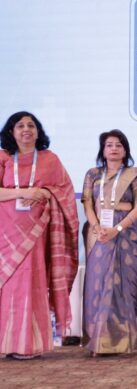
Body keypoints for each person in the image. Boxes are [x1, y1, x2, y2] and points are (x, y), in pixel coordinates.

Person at [0, 111, 78, 359]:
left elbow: (65, 190)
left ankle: (29, 344)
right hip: (6, 233)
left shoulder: (49, 159)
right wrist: (25, 192)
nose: (26, 129)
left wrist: (46, 193)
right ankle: (5, 343)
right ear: (11, 132)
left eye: (31, 125)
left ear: (38, 131)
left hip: (36, 232)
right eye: (20, 125)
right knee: (8, 284)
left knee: (32, 283)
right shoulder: (3, 158)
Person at [81, 130, 137, 356]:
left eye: (118, 145)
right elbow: (87, 204)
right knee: (98, 286)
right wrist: (97, 228)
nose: (113, 149)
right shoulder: (93, 174)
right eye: (109, 145)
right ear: (103, 150)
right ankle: (98, 342)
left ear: (125, 150)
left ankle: (123, 343)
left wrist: (117, 229)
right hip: (99, 235)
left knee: (123, 288)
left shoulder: (135, 174)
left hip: (128, 235)